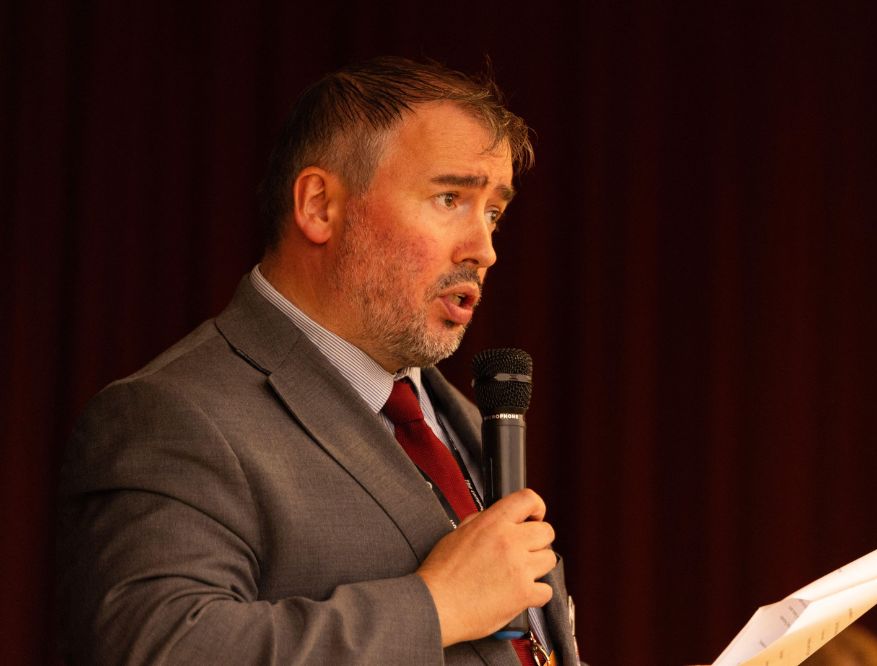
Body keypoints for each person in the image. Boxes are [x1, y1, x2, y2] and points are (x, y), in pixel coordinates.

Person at [57, 57, 580, 665]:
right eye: (448, 199)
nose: (484, 249)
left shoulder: (459, 417)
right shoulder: (169, 416)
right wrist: (435, 607)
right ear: (319, 206)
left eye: (492, 213)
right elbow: (167, 650)